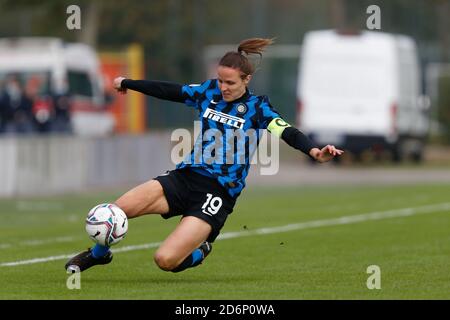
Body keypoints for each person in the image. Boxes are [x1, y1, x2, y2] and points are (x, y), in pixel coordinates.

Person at [65, 38, 344, 273]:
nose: (223, 87)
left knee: (166, 261)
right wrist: (130, 82)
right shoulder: (209, 92)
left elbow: (288, 132)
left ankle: (202, 249)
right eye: (221, 80)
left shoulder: (259, 109)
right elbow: (171, 91)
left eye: (230, 82)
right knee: (113, 211)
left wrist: (314, 151)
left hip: (216, 194)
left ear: (247, 79)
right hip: (184, 178)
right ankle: (100, 254)